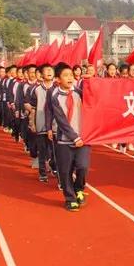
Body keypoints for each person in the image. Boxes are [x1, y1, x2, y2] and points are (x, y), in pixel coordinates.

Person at [50, 62, 90, 211]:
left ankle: (79, 188)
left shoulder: (80, 93)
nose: (70, 78)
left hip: (84, 138)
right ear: (58, 79)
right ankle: (70, 198)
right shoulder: (55, 97)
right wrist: (74, 137)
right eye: (65, 75)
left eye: (71, 75)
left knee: (83, 166)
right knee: (65, 170)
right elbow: (61, 121)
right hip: (64, 140)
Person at [29, 64, 57, 181]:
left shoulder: (58, 89)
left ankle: (54, 166)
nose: (49, 72)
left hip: (55, 125)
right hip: (41, 123)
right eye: (46, 70)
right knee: (42, 150)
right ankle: (42, 173)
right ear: (41, 74)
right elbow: (33, 108)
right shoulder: (36, 89)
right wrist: (32, 123)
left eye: (51, 70)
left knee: (56, 150)